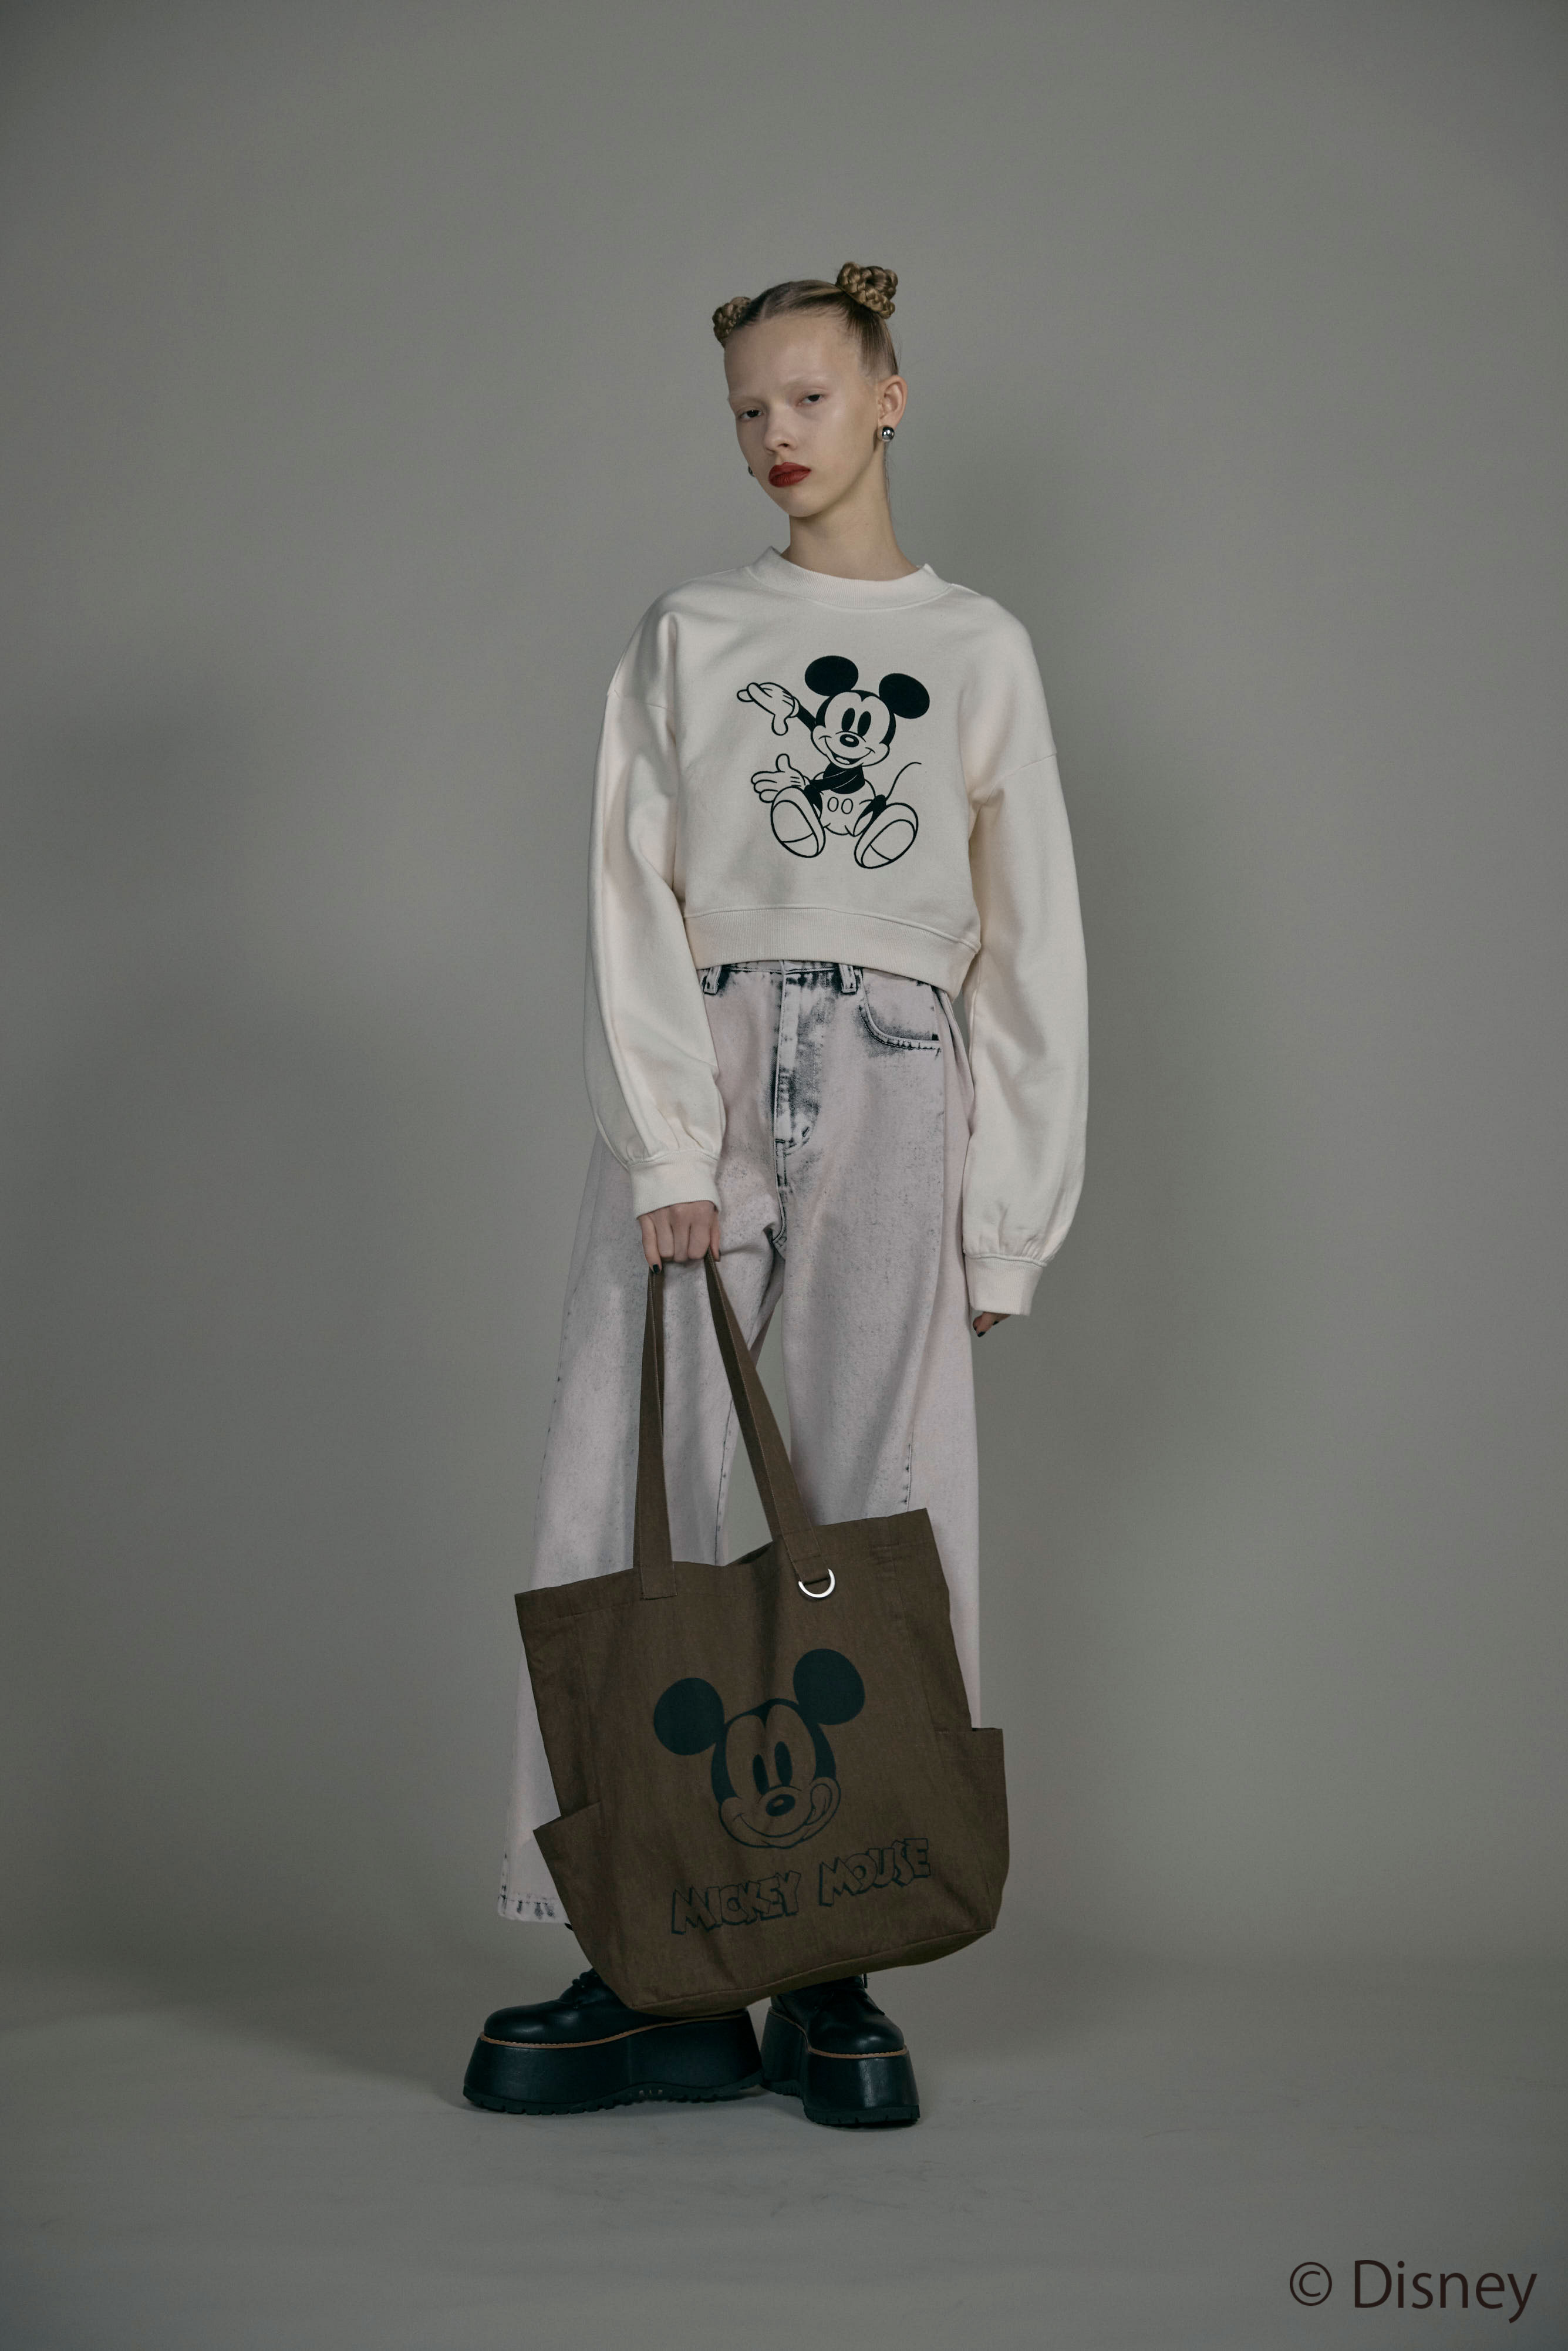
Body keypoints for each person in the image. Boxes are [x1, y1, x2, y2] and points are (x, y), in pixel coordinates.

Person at [463, 263, 1088, 2126]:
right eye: (748, 409)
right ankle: (631, 1940)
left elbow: (1034, 942)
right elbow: (628, 887)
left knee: (883, 1506)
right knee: (619, 1477)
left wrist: (1007, 1220)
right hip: (714, 1056)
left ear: (888, 397)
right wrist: (673, 1141)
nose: (774, 437)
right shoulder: (692, 630)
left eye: (807, 399)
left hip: (904, 1069)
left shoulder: (980, 647)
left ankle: (837, 1956)